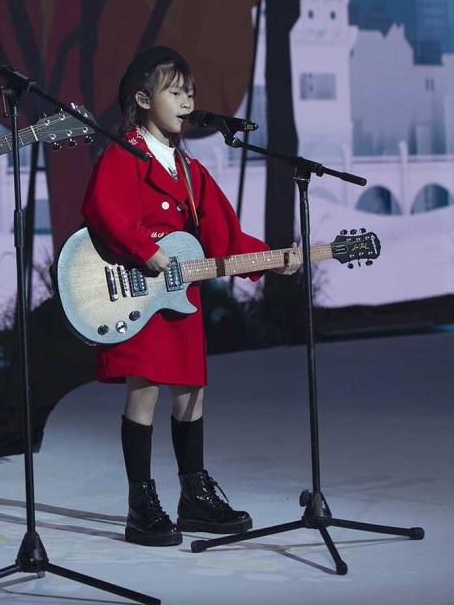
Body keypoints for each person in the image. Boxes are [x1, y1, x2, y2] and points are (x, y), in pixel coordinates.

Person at [80, 46, 300, 547]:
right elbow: (102, 208)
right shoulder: (124, 153)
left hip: (180, 296)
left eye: (190, 92)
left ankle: (194, 495)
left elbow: (226, 236)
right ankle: (141, 502)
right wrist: (145, 247)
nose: (186, 101)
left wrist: (271, 257)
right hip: (135, 291)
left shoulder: (191, 171)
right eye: (174, 91)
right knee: (145, 390)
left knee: (191, 392)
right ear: (142, 98)